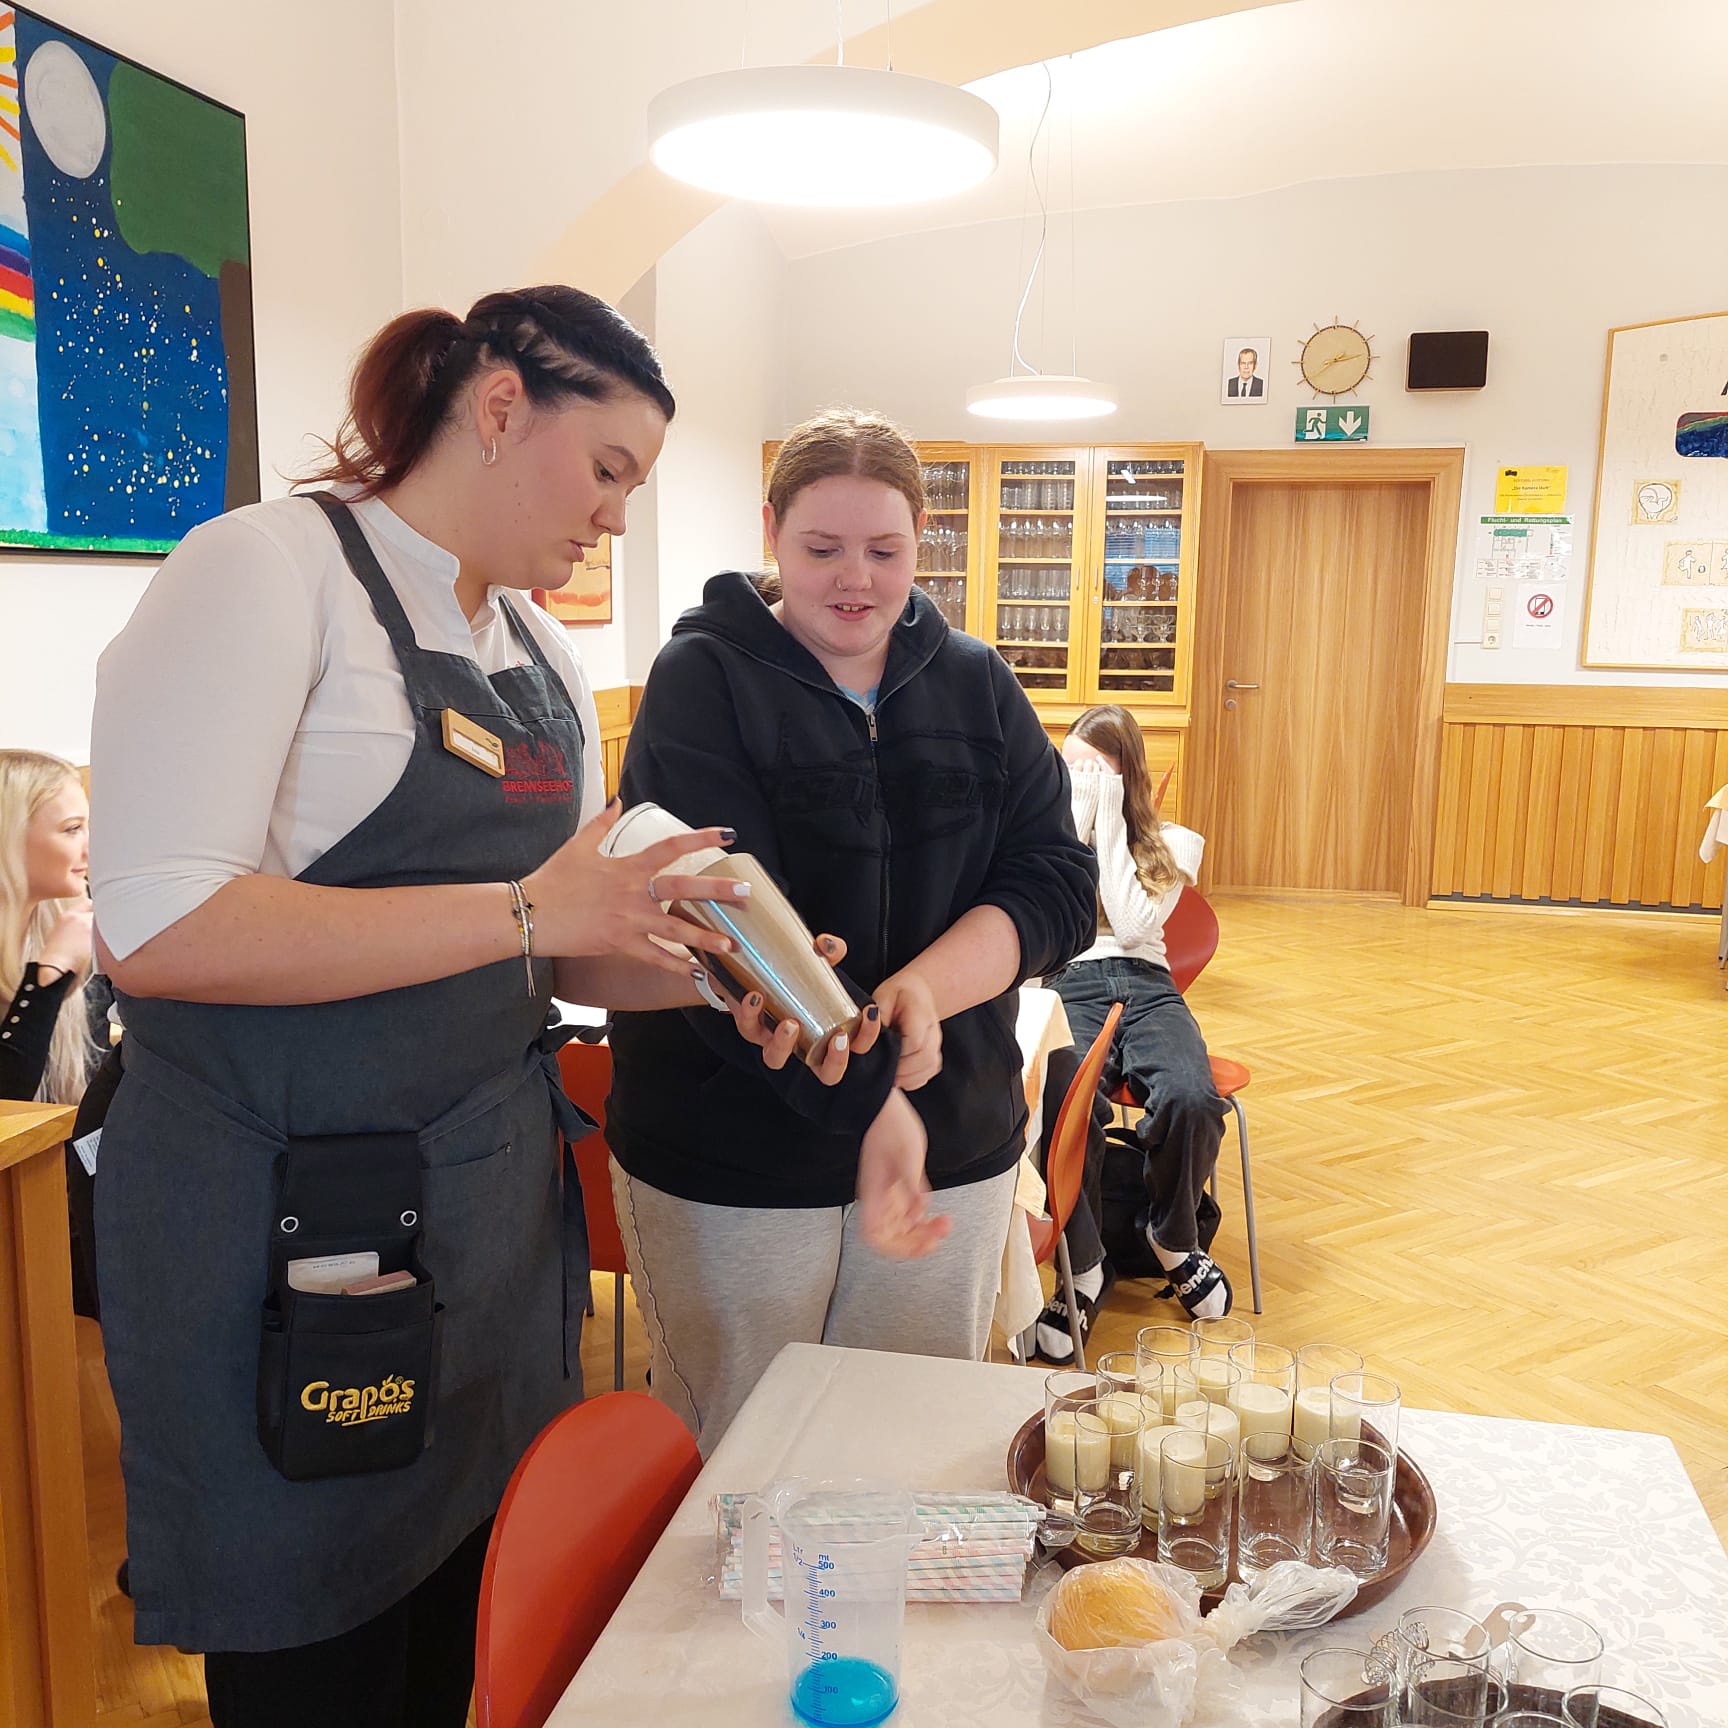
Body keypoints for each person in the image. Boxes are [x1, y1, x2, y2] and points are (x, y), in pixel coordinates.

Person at [88, 286, 808, 1728]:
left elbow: (557, 953)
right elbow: (157, 925)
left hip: (482, 1230)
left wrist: (712, 972)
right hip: (280, 1232)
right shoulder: (264, 572)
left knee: (461, 1628)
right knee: (317, 1643)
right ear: (497, 408)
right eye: (605, 470)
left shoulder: (539, 655)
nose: (615, 518)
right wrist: (535, 913)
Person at [606, 406, 1098, 1452]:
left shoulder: (978, 682)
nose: (855, 582)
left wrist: (924, 992)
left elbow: (1056, 882)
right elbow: (726, 916)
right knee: (741, 1453)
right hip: (736, 1157)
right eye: (821, 549)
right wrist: (871, 1100)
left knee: (909, 1446)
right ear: (771, 531)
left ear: (925, 538)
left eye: (885, 551)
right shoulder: (701, 680)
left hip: (949, 1144)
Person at [1034, 704, 1230, 1364]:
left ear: (1125, 775)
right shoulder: (1046, 835)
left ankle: (1175, 1239)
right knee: (1064, 1104)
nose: (1080, 783)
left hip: (1148, 983)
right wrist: (1070, 825)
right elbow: (1044, 915)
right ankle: (1084, 1264)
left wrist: (1111, 821)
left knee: (1191, 1097)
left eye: (1095, 772)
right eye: (1071, 769)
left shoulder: (1175, 841)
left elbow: (1133, 924)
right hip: (1069, 979)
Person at [0, 750, 95, 1103]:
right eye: (72, 829)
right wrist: (51, 972)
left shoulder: (68, 922)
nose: (91, 847)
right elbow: (8, 1101)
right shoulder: (63, 944)